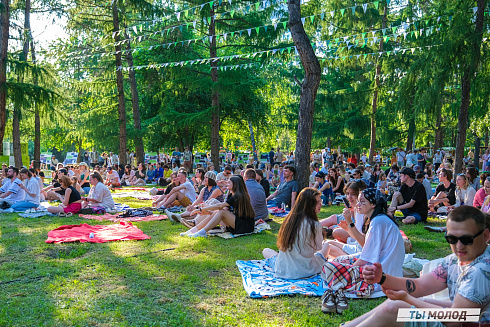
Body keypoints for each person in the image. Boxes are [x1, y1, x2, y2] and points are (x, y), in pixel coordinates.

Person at [351, 205, 490, 327]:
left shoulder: (480, 270)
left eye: (467, 239)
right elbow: (420, 286)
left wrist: (407, 299)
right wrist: (381, 278)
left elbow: (454, 320)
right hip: (464, 316)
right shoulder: (456, 260)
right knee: (396, 303)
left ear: (485, 236)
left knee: (395, 309)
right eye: (452, 239)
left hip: (461, 320)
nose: (459, 246)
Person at [320, 188, 405, 314]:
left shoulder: (377, 222)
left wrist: (349, 269)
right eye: (358, 201)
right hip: (384, 269)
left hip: (379, 275)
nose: (358, 204)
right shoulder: (378, 219)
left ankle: (344, 284)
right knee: (339, 260)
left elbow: (366, 257)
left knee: (328, 266)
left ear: (373, 204)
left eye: (362, 202)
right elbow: (367, 249)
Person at [262, 187, 330, 279]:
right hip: (305, 270)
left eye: (320, 201)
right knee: (327, 245)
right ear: (309, 204)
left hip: (283, 269)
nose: (320, 204)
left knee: (266, 250)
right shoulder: (314, 225)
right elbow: (318, 248)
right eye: (317, 202)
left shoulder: (289, 221)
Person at [183, 175, 255, 237]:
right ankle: (193, 230)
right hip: (236, 223)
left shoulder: (238, 196)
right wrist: (207, 212)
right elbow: (220, 213)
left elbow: (220, 206)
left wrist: (202, 209)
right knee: (220, 211)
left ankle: (202, 232)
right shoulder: (231, 195)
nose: (227, 183)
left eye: (229, 182)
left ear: (235, 184)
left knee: (221, 211)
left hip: (245, 226)